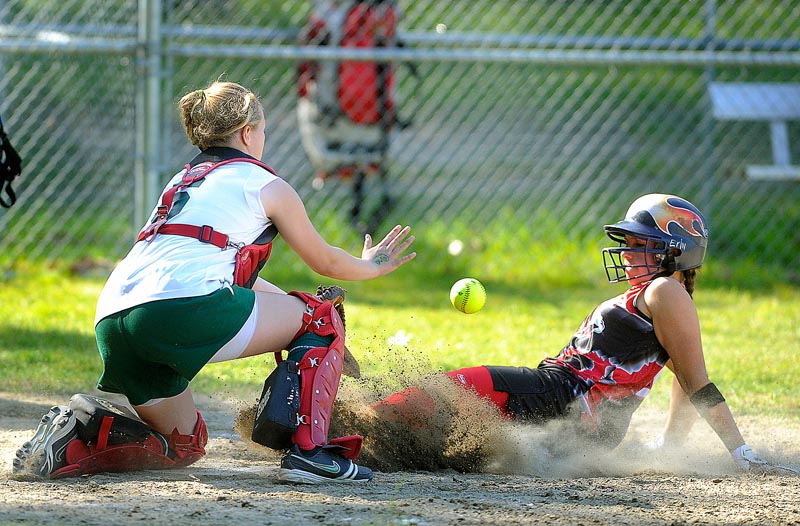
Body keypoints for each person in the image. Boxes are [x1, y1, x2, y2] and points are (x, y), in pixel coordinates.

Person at [13, 81, 415, 484]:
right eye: (262, 131)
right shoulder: (264, 184)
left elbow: (233, 278)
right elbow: (324, 260)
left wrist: (300, 325)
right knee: (322, 317)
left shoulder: (183, 180)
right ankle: (310, 454)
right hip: (182, 308)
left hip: (114, 319)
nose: (263, 140)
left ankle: (77, 435)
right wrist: (370, 266)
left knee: (184, 443)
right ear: (246, 132)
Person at [372, 193, 786, 473]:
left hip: (561, 397)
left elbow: (697, 382)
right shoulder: (662, 296)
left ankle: (349, 431)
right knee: (437, 430)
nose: (625, 252)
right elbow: (684, 376)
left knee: (447, 390)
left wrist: (740, 452)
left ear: (673, 251)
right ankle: (362, 438)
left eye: (638, 243)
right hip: (562, 405)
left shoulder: (664, 291)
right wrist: (671, 446)